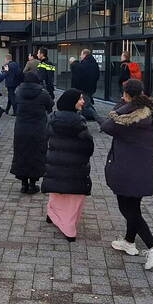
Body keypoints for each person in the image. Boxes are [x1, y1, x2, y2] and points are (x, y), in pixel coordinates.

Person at [101, 79, 153, 270]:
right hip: (146, 166)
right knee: (134, 205)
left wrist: (123, 105)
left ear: (127, 95)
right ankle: (129, 241)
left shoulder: (126, 116)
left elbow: (107, 126)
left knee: (127, 208)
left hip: (126, 167)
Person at [42, 89, 95, 242]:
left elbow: (44, 140)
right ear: (72, 103)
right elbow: (88, 148)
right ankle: (69, 228)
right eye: (80, 99)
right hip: (75, 167)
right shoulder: (80, 123)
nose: (83, 101)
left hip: (55, 164)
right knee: (73, 198)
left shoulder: (52, 119)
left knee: (57, 191)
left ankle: (52, 215)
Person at [10, 71, 54, 193]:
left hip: (21, 129)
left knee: (21, 154)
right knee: (37, 154)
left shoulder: (18, 92)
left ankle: (24, 184)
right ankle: (33, 184)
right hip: (38, 129)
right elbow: (50, 105)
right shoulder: (42, 93)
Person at [70, 49, 101, 121]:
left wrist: (74, 62)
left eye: (81, 54)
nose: (80, 56)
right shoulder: (93, 63)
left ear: (84, 54)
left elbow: (80, 70)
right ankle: (83, 117)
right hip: (90, 87)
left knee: (86, 105)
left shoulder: (86, 63)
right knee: (86, 103)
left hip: (85, 88)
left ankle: (98, 119)